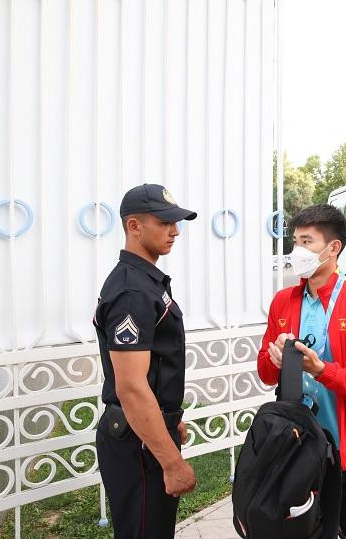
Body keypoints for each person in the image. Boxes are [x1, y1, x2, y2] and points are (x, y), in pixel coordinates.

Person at [257, 204, 346, 538]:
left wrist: (320, 370)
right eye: (295, 242)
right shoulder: (282, 301)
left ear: (333, 248)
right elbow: (265, 374)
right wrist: (275, 361)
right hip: (297, 451)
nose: (296, 252)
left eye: (306, 242)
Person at [94, 184, 198, 539]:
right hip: (137, 446)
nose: (175, 230)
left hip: (145, 434)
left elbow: (154, 368)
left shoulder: (144, 281)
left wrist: (170, 421)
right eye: (165, 221)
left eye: (177, 222)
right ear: (134, 226)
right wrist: (172, 462)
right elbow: (132, 387)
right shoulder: (133, 291)